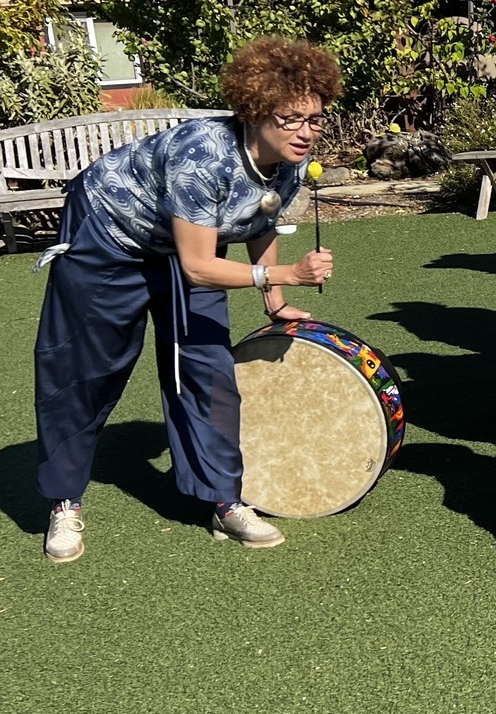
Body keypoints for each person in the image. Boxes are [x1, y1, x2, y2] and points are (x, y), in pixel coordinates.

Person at [33, 37, 339, 562]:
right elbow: (199, 269)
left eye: (314, 119)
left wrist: (277, 301)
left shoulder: (289, 162)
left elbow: (258, 216)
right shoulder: (203, 155)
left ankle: (224, 499)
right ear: (256, 110)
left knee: (207, 367)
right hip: (110, 236)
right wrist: (283, 272)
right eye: (291, 118)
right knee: (86, 371)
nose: (306, 132)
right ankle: (65, 500)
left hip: (188, 240)